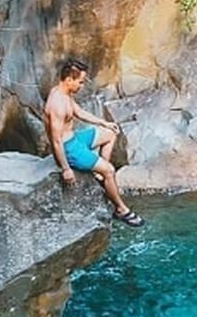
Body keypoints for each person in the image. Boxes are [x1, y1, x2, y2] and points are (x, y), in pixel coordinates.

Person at [44, 58, 145, 227]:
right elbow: (56, 140)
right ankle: (121, 209)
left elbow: (79, 112)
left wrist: (103, 123)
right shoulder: (56, 104)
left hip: (75, 139)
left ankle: (99, 174)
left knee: (111, 133)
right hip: (69, 149)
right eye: (80, 82)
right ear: (69, 79)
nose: (81, 86)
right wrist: (66, 169)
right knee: (110, 170)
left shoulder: (64, 92)